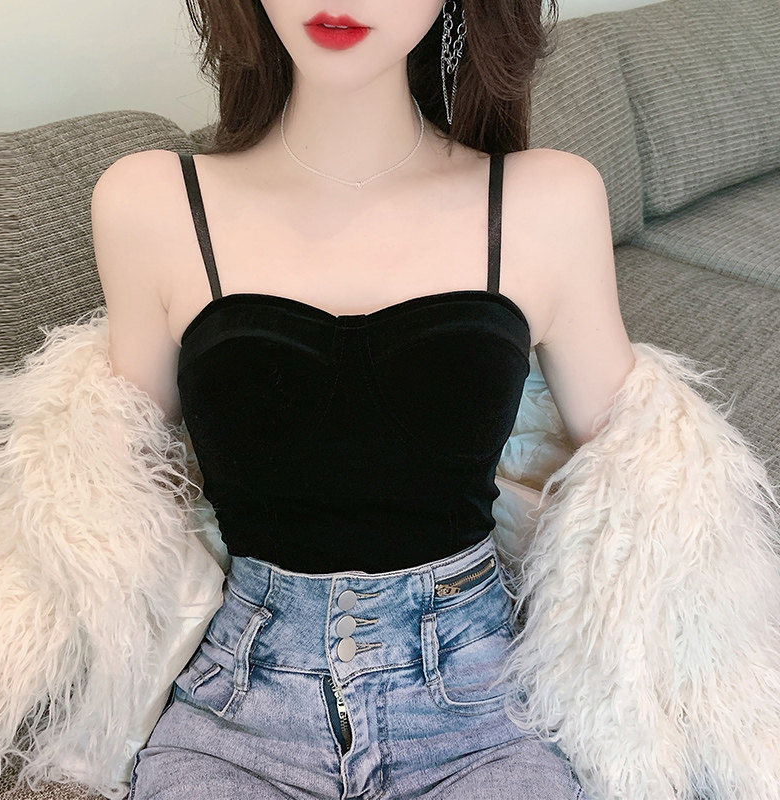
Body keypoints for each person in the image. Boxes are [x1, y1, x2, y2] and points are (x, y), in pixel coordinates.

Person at [89, 0, 635, 797]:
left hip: (479, 707)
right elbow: (112, 476)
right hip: (238, 708)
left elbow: (644, 465)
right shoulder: (153, 202)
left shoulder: (546, 199)